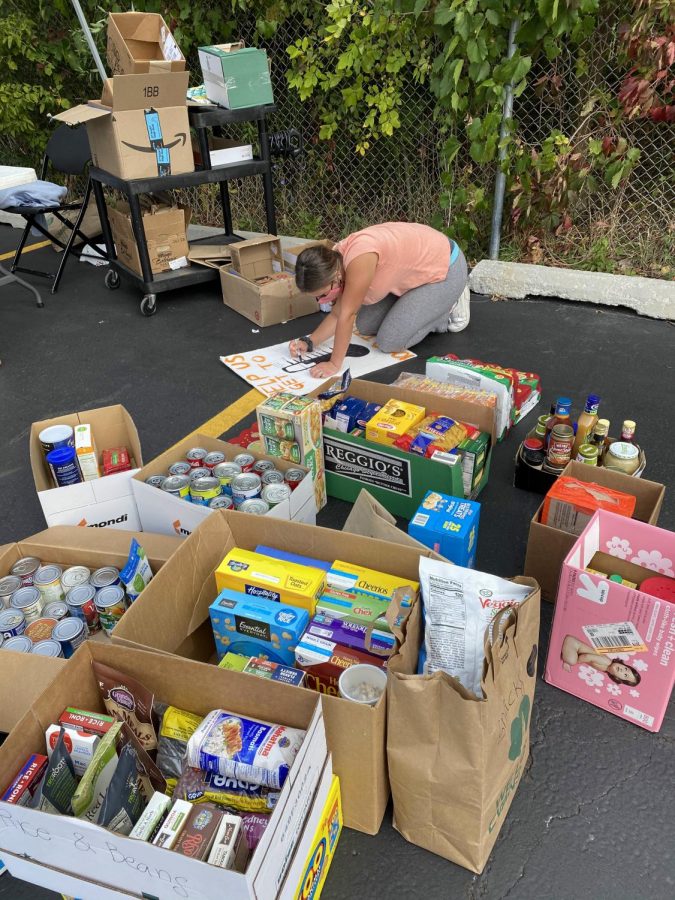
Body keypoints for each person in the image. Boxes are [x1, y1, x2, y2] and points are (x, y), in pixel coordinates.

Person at [289, 222, 469, 379]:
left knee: (389, 341)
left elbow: (347, 315)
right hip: (415, 271)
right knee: (366, 325)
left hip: (446, 268)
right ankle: (417, 301)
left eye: (322, 295)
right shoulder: (333, 262)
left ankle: (449, 307)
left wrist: (334, 364)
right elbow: (338, 314)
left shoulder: (359, 260)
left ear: (335, 277)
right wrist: (310, 342)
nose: (322, 301)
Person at [561, 634, 642, 686]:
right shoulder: (606, 662)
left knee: (571, 659)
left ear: (618, 679)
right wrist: (574, 663)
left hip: (576, 650)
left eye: (625, 675)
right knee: (571, 661)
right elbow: (586, 657)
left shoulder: (606, 669)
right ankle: (567, 658)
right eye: (626, 669)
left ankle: (567, 655)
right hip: (573, 644)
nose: (622, 670)